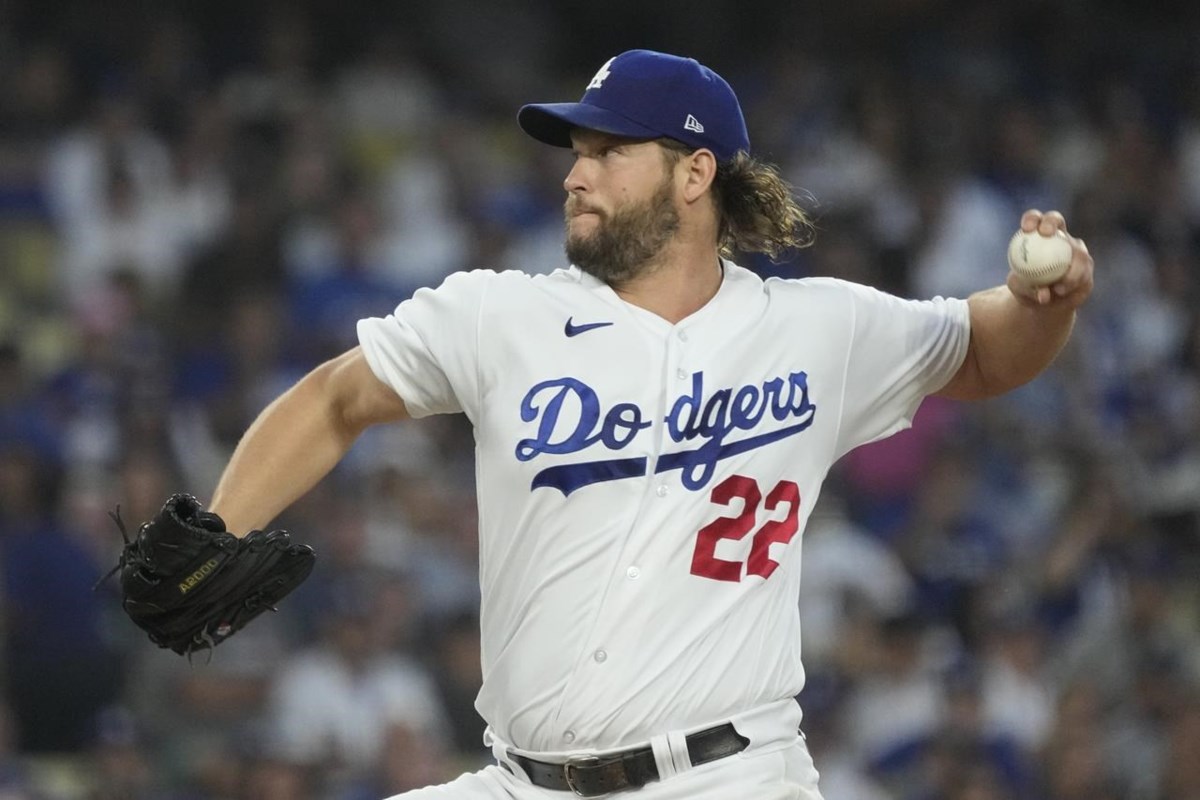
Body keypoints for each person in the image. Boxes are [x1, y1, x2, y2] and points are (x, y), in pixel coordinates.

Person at [204, 49, 1094, 798]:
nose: (575, 173)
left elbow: (982, 348)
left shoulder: (817, 328)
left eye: (607, 150)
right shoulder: (499, 317)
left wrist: (1043, 305)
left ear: (694, 172)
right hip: (519, 780)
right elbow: (333, 397)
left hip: (728, 777)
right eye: (576, 151)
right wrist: (217, 532)